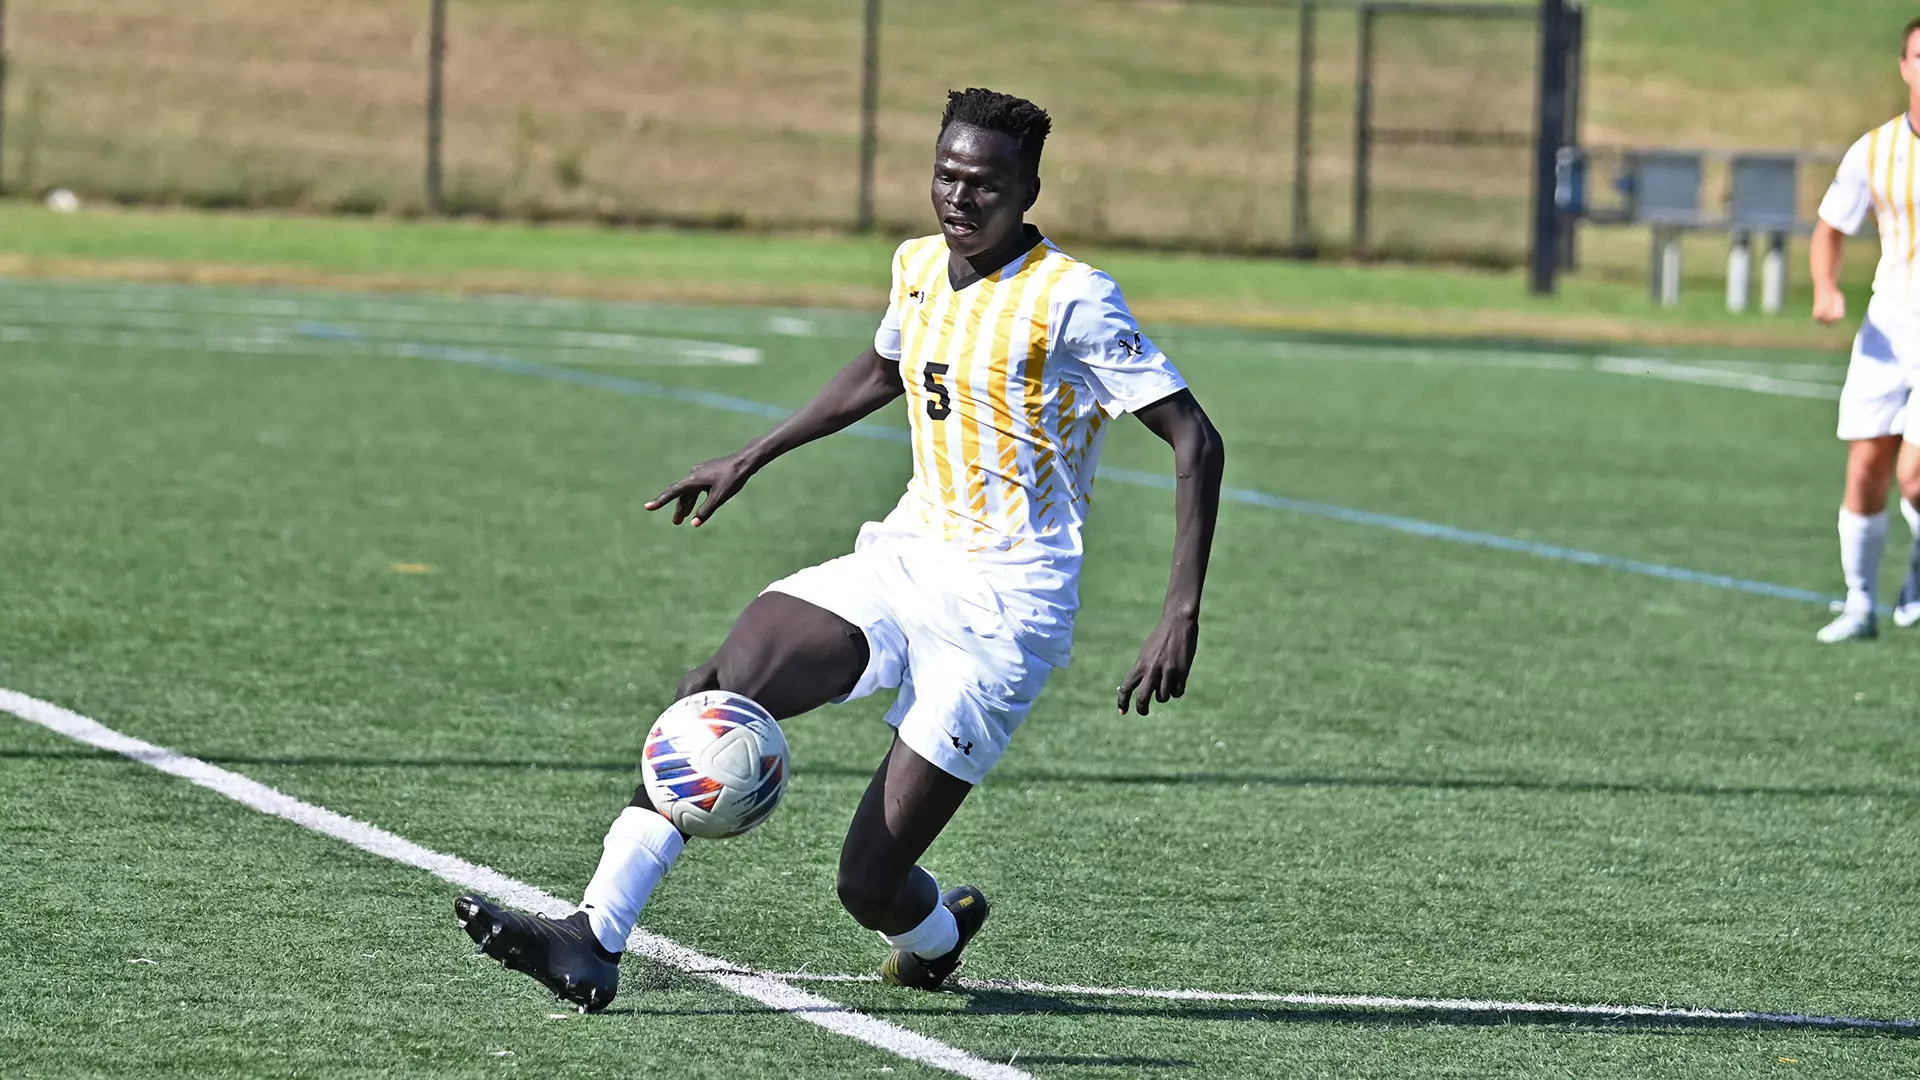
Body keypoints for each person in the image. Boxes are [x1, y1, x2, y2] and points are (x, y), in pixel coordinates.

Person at [452, 87, 1226, 1010]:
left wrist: (1178, 611)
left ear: (1027, 190)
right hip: (903, 558)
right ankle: (594, 938)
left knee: (867, 884)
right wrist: (750, 456)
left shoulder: (1074, 299)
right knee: (715, 687)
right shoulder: (916, 267)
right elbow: (882, 370)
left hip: (1004, 611)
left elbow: (1195, 439)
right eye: (946, 174)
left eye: (983, 183)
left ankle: (934, 935)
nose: (958, 198)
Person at [1812, 16, 1920, 643]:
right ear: (1903, 67)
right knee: (1867, 469)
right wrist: (1826, 288)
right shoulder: (1874, 150)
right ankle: (1859, 605)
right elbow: (1830, 227)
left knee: (1915, 473)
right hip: (1886, 331)